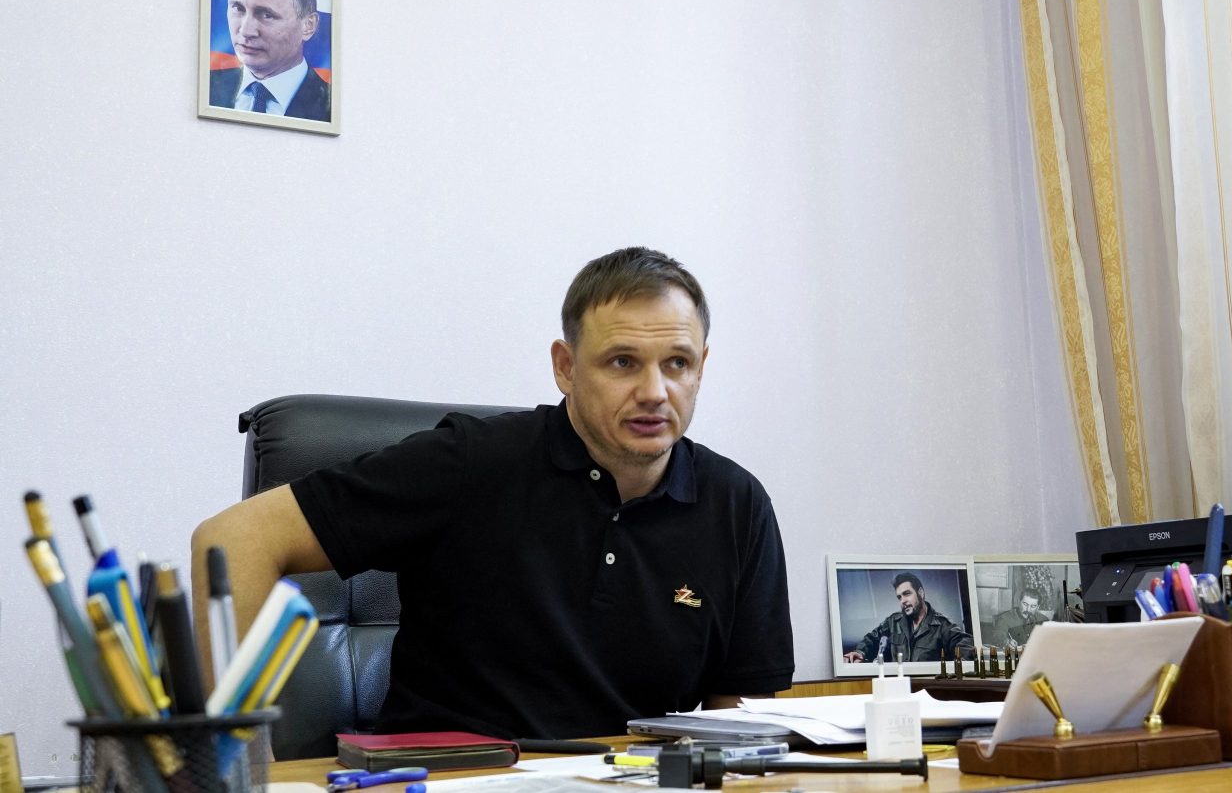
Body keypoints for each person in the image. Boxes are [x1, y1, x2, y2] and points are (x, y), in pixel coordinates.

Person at [191, 247, 793, 740]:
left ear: (702, 367)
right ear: (565, 366)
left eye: (678, 363)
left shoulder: (737, 505)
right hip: (449, 780)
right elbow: (233, 539)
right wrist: (234, 753)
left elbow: (738, 716)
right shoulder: (470, 462)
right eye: (622, 362)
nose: (655, 391)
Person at [209, 0, 331, 121]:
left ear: (308, 25)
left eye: (266, 15)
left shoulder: (332, 108)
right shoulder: (206, 87)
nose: (246, 31)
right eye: (238, 8)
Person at [842, 572, 973, 664]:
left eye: (907, 594)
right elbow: (872, 638)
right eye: (899, 597)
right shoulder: (893, 621)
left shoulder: (943, 625)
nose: (903, 601)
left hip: (927, 689)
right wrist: (860, 652)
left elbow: (966, 646)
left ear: (920, 593)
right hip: (897, 686)